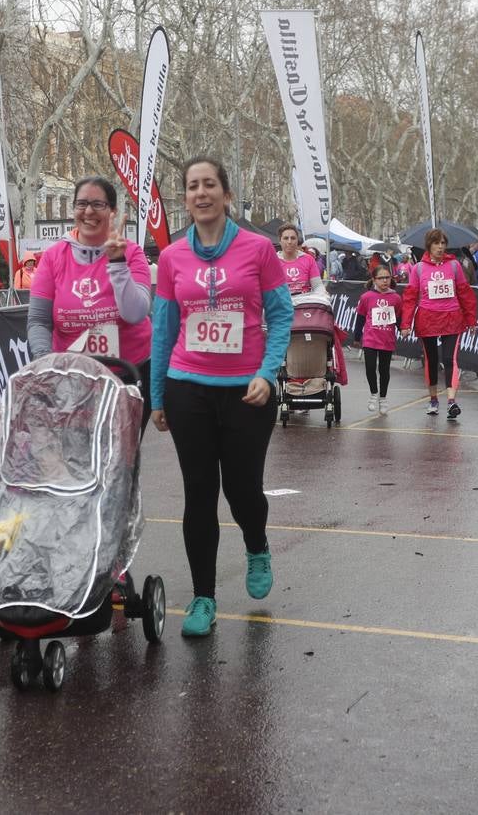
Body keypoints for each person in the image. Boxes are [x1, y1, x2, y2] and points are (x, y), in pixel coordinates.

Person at [149, 156, 293, 638]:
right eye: (192, 186)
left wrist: (268, 374)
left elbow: (281, 314)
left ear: (226, 195)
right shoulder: (171, 257)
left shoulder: (258, 249)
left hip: (246, 393)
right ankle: (203, 598)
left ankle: (257, 544)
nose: (201, 193)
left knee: (243, 490)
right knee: (199, 494)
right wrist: (158, 396)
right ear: (185, 198)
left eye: (210, 184)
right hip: (188, 387)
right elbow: (164, 329)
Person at [29, 176, 153, 425]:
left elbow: (136, 313)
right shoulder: (54, 256)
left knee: (120, 462)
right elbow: (39, 321)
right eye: (81, 204)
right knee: (76, 460)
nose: (88, 211)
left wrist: (117, 262)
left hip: (127, 375)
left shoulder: (132, 253)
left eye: (98, 204)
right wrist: (47, 363)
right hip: (73, 380)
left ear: (112, 211)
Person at [401, 228, 478, 421]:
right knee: (432, 360)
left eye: (443, 243)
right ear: (429, 246)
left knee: (450, 358)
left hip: (452, 318)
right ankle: (433, 399)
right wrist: (405, 324)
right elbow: (410, 298)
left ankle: (452, 401)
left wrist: (471, 320)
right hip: (427, 319)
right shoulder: (418, 268)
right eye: (436, 243)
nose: (440, 247)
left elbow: (465, 294)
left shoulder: (454, 266)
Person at [356, 263, 401, 414]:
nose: (384, 281)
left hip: (386, 338)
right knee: (370, 368)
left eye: (387, 278)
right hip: (370, 338)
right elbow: (360, 318)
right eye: (381, 278)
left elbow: (398, 318)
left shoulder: (395, 298)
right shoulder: (367, 297)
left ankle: (383, 398)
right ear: (374, 279)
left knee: (384, 370)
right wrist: (357, 337)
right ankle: (374, 394)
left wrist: (404, 329)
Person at [276, 224, 324, 295]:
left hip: (305, 303)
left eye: (293, 238)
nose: (289, 242)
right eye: (286, 238)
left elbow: (317, 285)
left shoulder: (308, 259)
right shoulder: (273, 261)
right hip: (282, 304)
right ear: (280, 241)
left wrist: (323, 295)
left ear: (297, 240)